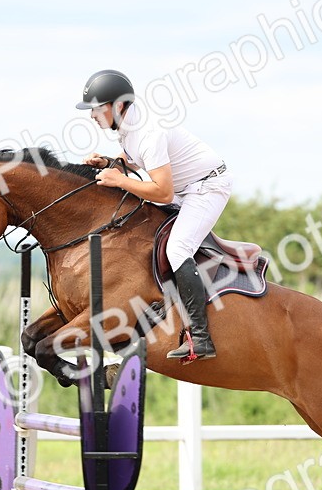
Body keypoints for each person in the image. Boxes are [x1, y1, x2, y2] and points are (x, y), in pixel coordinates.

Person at [76, 69, 232, 363]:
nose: (93, 115)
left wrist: (119, 180)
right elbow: (135, 160)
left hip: (207, 189)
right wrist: (110, 162)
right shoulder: (127, 126)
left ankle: (200, 338)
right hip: (186, 189)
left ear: (118, 106)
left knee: (177, 248)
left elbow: (162, 193)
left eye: (97, 108)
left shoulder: (148, 131)